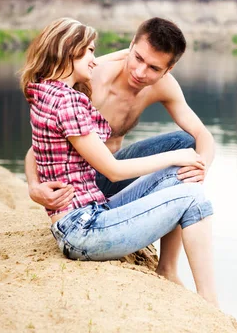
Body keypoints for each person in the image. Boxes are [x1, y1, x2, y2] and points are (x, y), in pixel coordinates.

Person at [20, 18, 218, 306]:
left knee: (186, 145)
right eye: (137, 58)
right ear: (130, 46)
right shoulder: (87, 77)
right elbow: (40, 144)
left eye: (153, 68)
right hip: (86, 185)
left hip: (105, 182)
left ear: (168, 70)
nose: (140, 71)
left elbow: (203, 135)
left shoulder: (164, 86)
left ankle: (168, 268)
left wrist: (200, 168)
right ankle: (210, 301)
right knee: (186, 178)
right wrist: (33, 186)